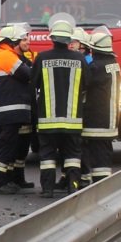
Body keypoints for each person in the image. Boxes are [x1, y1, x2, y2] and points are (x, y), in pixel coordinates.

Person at [32, 18, 90, 196]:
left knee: (47, 156)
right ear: (69, 40)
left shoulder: (42, 58)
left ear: (52, 38)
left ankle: (48, 189)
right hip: (72, 120)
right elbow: (88, 84)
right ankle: (73, 186)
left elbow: (33, 84)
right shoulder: (80, 59)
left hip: (47, 120)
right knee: (72, 155)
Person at [0, 25, 33, 193]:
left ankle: (11, 179)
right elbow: (28, 75)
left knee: (11, 146)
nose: (28, 42)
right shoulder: (5, 56)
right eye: (23, 39)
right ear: (13, 42)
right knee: (5, 147)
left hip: (4, 111)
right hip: (9, 111)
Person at [80, 29, 121, 186]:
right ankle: (102, 183)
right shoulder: (114, 65)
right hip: (110, 117)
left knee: (92, 151)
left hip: (95, 118)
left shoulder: (96, 67)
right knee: (104, 151)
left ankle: (94, 182)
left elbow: (83, 86)